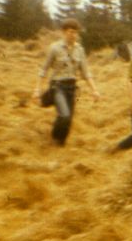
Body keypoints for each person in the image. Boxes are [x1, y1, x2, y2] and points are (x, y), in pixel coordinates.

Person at [35, 18, 101, 146]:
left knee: (68, 121)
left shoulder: (80, 50)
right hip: (57, 86)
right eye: (70, 32)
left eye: (76, 32)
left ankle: (60, 143)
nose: (73, 35)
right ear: (64, 32)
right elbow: (44, 69)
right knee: (64, 116)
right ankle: (53, 137)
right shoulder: (54, 48)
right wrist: (37, 89)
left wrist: (94, 90)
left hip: (72, 88)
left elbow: (86, 73)